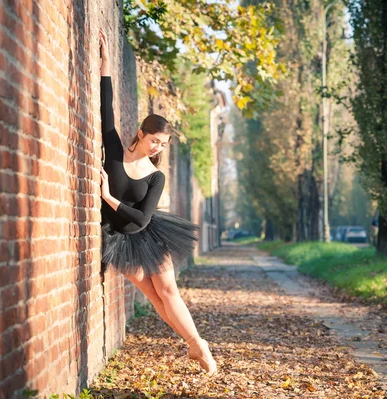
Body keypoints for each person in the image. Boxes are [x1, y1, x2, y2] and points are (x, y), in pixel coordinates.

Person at [98, 28, 217, 374]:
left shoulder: (155, 176)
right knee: (152, 296)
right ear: (141, 133)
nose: (158, 148)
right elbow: (106, 107)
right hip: (118, 238)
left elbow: (142, 220)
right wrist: (106, 64)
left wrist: (107, 196)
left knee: (167, 290)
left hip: (147, 234)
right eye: (155, 141)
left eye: (163, 145)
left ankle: (199, 345)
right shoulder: (115, 151)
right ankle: (194, 345)